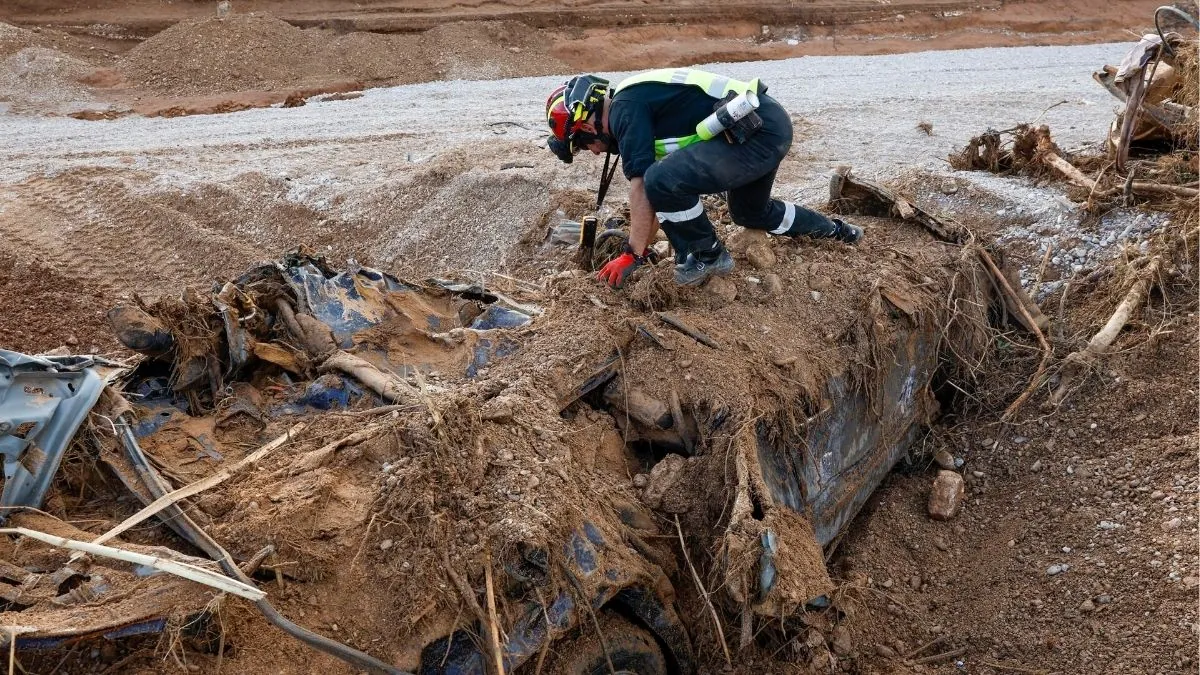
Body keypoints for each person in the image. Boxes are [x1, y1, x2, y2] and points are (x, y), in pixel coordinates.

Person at [545, 68, 863, 288]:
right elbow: (655, 199)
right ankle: (839, 232)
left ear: (586, 127)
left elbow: (644, 186)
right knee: (750, 212)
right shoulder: (632, 104)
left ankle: (706, 255)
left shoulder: (625, 110)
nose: (596, 154)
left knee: (659, 178)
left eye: (584, 147)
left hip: (757, 131)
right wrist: (641, 246)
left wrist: (632, 254)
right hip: (761, 127)